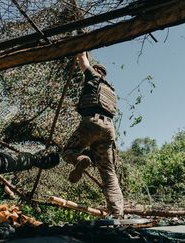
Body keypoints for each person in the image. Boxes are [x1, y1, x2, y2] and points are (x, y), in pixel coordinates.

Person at [62, 51, 124, 217]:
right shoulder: (111, 91)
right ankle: (117, 213)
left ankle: (79, 159)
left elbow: (83, 59)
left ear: (96, 69)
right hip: (109, 129)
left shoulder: (92, 76)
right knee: (108, 172)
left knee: (68, 152)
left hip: (91, 123)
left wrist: (81, 47)